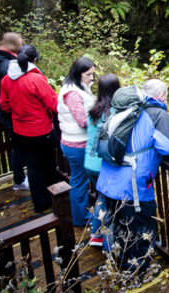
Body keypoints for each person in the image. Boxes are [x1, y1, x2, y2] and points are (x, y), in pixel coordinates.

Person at [97, 79, 169, 271]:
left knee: (119, 225)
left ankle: (121, 263)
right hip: (132, 186)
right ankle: (138, 270)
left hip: (109, 181)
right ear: (162, 96)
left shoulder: (125, 110)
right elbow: (167, 147)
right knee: (141, 228)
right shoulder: (157, 114)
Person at [0, 45, 58, 212]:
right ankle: (54, 199)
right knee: (48, 165)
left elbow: (4, 105)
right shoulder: (35, 79)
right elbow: (53, 103)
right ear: (35, 60)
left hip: (21, 131)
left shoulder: (6, 80)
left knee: (32, 167)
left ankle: (40, 204)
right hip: (41, 130)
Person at [0, 32, 28, 191]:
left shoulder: (0, 61)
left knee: (19, 146)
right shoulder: (6, 66)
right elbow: (13, 92)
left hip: (9, 112)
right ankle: (19, 180)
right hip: (13, 114)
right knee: (18, 147)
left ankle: (21, 178)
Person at [57, 57, 96, 227]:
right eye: (89, 74)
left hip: (74, 141)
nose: (92, 78)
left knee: (79, 179)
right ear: (78, 73)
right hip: (77, 144)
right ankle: (81, 218)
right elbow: (83, 121)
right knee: (79, 181)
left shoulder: (76, 86)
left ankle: (81, 215)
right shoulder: (72, 93)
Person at [84, 74, 120, 247]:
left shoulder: (93, 108)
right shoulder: (114, 111)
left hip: (89, 161)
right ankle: (100, 236)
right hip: (102, 163)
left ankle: (96, 233)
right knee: (106, 200)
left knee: (100, 197)